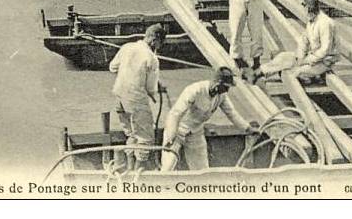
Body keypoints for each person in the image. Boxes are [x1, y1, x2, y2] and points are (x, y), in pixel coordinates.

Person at [161, 68, 258, 172]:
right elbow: (175, 113)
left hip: (196, 132)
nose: (227, 91)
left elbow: (232, 113)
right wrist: (171, 136)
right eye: (226, 87)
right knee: (168, 166)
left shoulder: (221, 96)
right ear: (218, 84)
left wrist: (248, 128)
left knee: (202, 170)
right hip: (177, 131)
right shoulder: (194, 90)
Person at [109, 24, 166, 173]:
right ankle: (139, 173)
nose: (159, 47)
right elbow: (151, 88)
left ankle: (128, 168)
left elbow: (113, 67)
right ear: (155, 40)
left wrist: (129, 74)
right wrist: (157, 90)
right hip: (135, 99)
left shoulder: (126, 47)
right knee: (146, 138)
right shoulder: (152, 58)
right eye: (160, 44)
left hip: (119, 96)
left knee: (132, 134)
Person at [255, 0, 339, 84]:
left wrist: (306, 60)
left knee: (295, 72)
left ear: (312, 10)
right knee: (283, 57)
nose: (305, 13)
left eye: (306, 10)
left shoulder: (325, 23)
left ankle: (311, 76)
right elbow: (304, 41)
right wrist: (300, 57)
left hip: (324, 61)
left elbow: (325, 50)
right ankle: (260, 72)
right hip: (309, 57)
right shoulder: (311, 20)